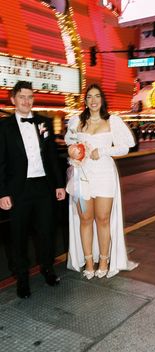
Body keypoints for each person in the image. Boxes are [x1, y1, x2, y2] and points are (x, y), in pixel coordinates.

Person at [65, 83, 138, 279]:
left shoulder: (113, 121)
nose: (94, 100)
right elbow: (69, 141)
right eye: (89, 96)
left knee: (103, 219)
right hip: (82, 176)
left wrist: (103, 151)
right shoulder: (76, 121)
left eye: (97, 96)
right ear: (86, 101)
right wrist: (72, 150)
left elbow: (128, 145)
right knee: (85, 219)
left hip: (105, 174)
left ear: (102, 99)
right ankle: (89, 262)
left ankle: (104, 261)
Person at [0, 81, 66, 298]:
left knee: (46, 231)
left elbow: (52, 158)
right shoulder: (3, 126)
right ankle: (22, 278)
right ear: (13, 100)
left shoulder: (44, 122)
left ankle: (47, 268)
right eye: (22, 97)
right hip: (18, 189)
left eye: (30, 97)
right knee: (17, 235)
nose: (26, 101)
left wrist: (58, 184)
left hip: (43, 187)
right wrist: (2, 193)